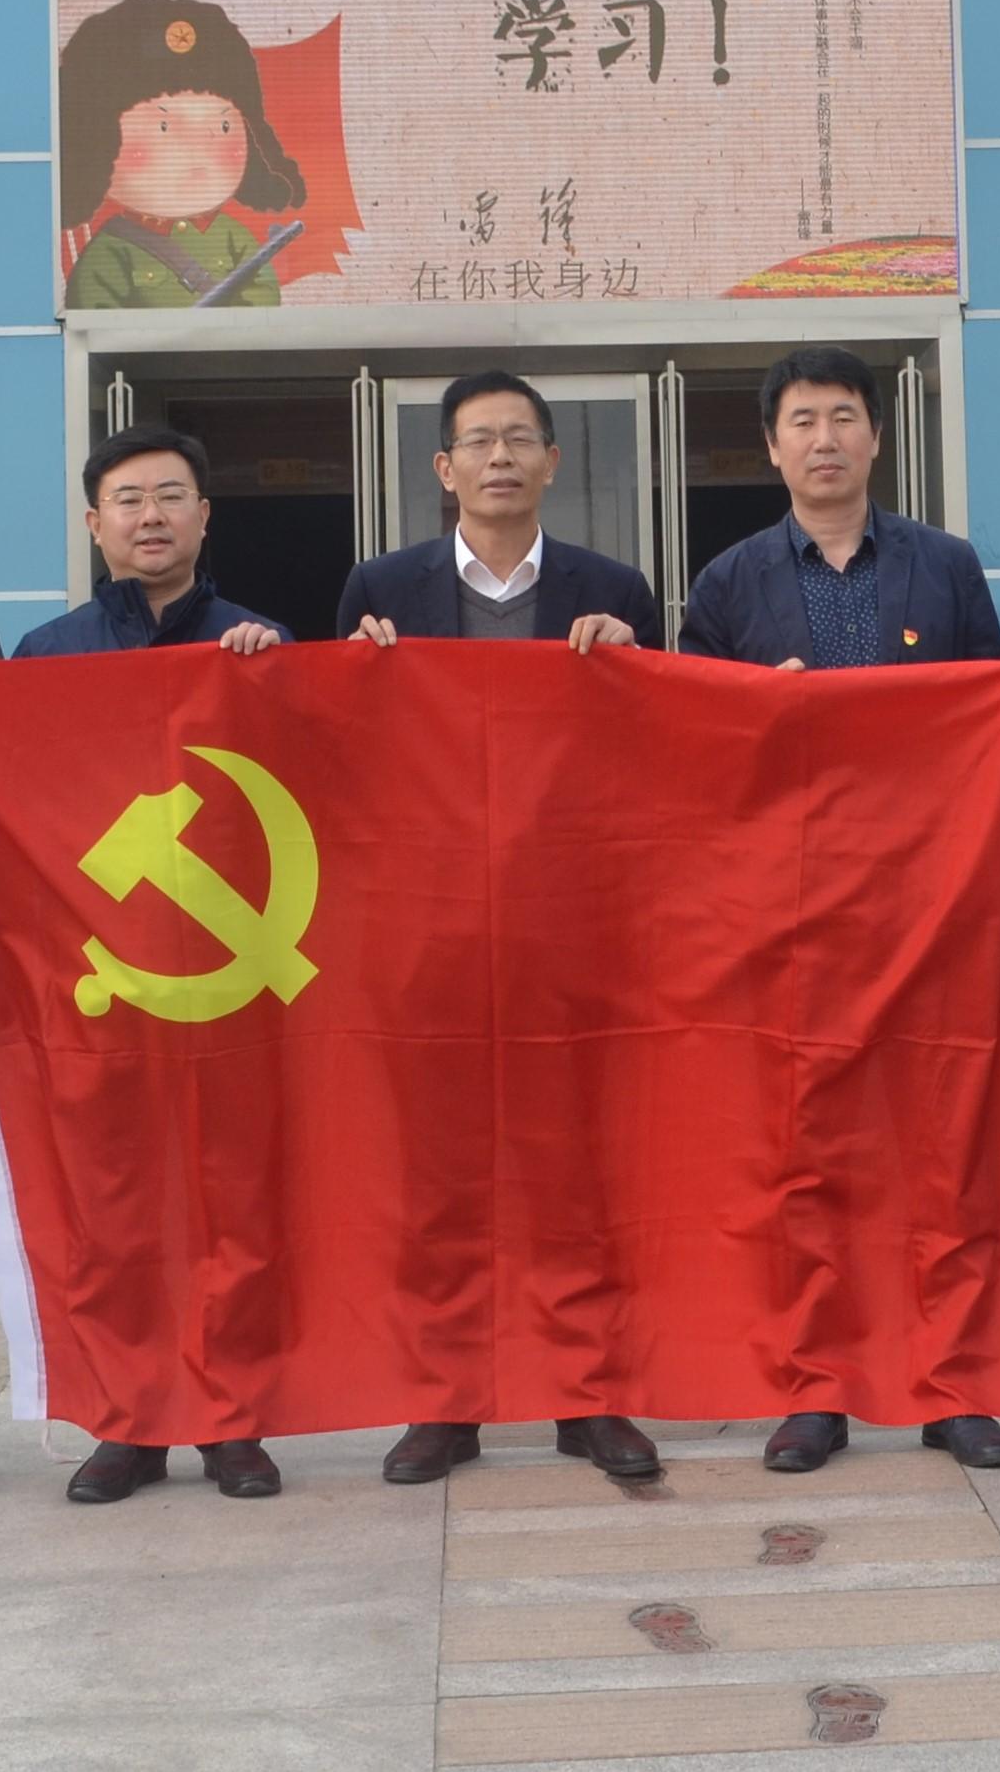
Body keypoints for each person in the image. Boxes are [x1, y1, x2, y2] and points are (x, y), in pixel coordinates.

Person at [676, 344, 1000, 1475]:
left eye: (842, 417)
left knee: (937, 1150)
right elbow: (691, 747)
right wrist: (749, 719)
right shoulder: (728, 582)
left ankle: (949, 1384)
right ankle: (812, 1387)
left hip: (927, 896)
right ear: (771, 446)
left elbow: (990, 716)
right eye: (801, 421)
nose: (823, 439)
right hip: (792, 906)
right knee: (804, 1155)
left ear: (875, 435)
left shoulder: (944, 566)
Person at [338, 368, 664, 1490]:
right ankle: (445, 1399)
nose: (499, 458)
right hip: (428, 929)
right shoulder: (382, 588)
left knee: (576, 1172)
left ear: (552, 461)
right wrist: (357, 673)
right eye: (477, 441)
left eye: (519, 439)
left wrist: (634, 665)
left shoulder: (611, 589)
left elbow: (654, 756)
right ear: (443, 466)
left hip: (567, 924)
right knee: (437, 1177)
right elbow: (343, 756)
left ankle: (589, 1396)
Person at [14, 422, 291, 1501]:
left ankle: (231, 1416)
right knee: (114, 1207)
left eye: (170, 496)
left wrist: (273, 683)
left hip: (227, 988)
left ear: (203, 516)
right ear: (94, 523)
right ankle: (128, 1418)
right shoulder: (47, 655)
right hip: (103, 980)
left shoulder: (258, 642)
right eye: (127, 500)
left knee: (233, 1204)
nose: (150, 517)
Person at [57, 0, 307, 308]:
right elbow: (93, 315)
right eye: (164, 126)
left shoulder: (229, 234)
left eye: (224, 126)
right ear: (98, 143)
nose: (197, 148)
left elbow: (262, 288)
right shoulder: (112, 251)